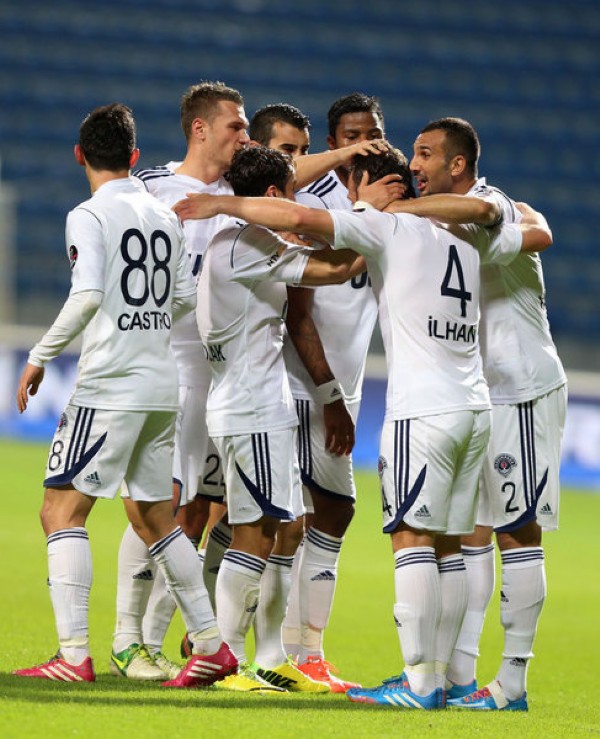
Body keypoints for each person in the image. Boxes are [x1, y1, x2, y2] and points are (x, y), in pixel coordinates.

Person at [172, 145, 552, 709]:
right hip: (471, 404)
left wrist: (368, 211)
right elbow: (531, 231)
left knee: (405, 538)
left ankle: (416, 681)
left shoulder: (383, 227)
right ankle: (440, 676)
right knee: (447, 545)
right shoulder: (468, 233)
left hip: (414, 408)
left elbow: (311, 232)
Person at [13, 103, 236, 689]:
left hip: (110, 383)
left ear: (79, 155)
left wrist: (39, 355)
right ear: (135, 156)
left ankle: (73, 656)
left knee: (61, 512)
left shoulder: (89, 214)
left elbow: (87, 294)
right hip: (162, 384)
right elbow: (183, 296)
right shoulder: (162, 213)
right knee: (153, 516)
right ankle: (212, 645)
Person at [408, 117, 567, 711]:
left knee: (517, 531)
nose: (414, 165)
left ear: (457, 164)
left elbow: (506, 221)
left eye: (425, 154)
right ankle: (459, 675)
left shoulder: (490, 205)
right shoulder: (442, 218)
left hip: (520, 390)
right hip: (479, 395)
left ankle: (513, 683)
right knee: (469, 532)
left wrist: (401, 209)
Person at [195, 145, 367, 693]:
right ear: (272, 196)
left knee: (285, 527)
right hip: (252, 408)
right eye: (292, 192)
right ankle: (226, 659)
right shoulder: (248, 244)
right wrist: (374, 219)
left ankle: (269, 657)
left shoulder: (235, 239)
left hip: (252, 404)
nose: (298, 202)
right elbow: (339, 269)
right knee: (254, 533)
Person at [110, 81, 250, 681]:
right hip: (168, 366)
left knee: (194, 510)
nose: (244, 137)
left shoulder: (242, 194)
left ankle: (149, 639)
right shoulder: (151, 187)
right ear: (200, 128)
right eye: (235, 126)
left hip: (222, 374)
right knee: (160, 501)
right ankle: (126, 639)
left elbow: (295, 175)